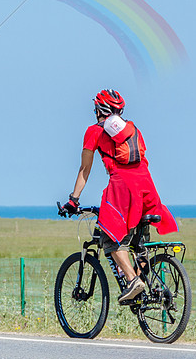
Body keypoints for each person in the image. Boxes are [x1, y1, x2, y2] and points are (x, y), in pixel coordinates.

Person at [62, 89, 178, 304]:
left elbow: (84, 169)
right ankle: (143, 289)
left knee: (111, 240)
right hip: (147, 188)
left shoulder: (93, 132)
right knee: (139, 241)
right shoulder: (134, 129)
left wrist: (73, 200)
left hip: (122, 188)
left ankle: (134, 281)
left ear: (99, 110)